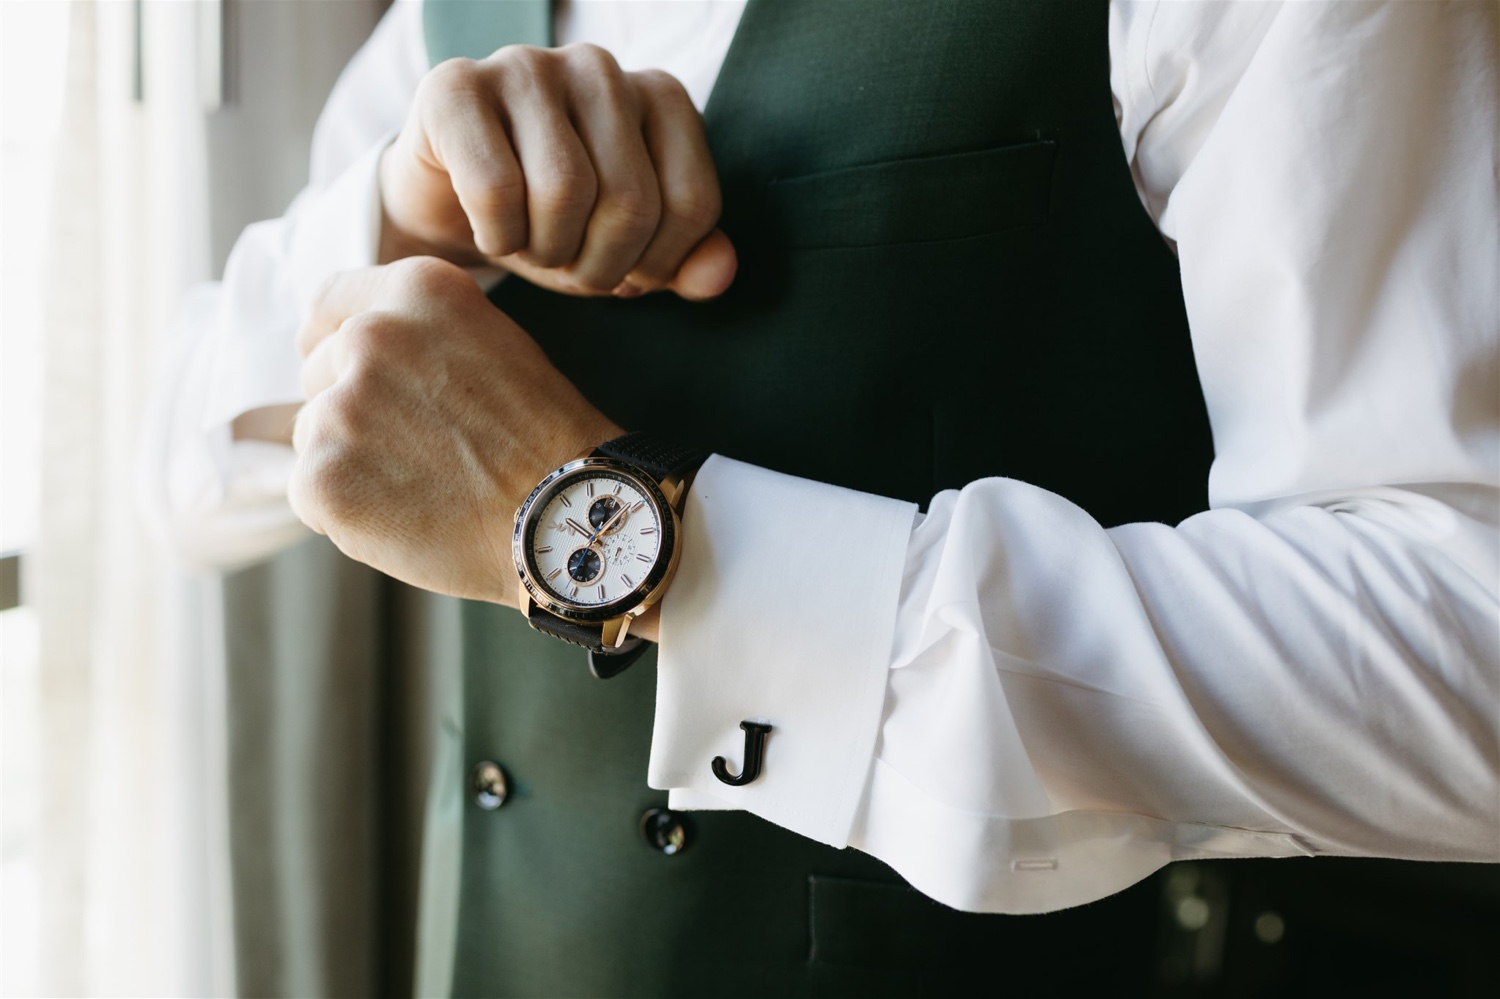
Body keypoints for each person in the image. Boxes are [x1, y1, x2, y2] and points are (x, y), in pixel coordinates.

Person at [143, 0, 1499, 994]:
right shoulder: (455, 18)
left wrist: (614, 533)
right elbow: (180, 476)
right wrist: (397, 221)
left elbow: (1463, 646)